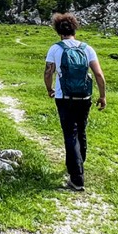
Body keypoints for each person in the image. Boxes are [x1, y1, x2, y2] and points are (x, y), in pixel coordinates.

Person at [43, 13, 106, 191]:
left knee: (70, 133)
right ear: (74, 29)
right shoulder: (87, 48)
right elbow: (99, 75)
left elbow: (48, 72)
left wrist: (49, 89)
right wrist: (102, 96)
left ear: (58, 31)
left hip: (64, 98)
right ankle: (78, 163)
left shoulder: (55, 49)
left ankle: (77, 178)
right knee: (81, 130)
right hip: (84, 97)